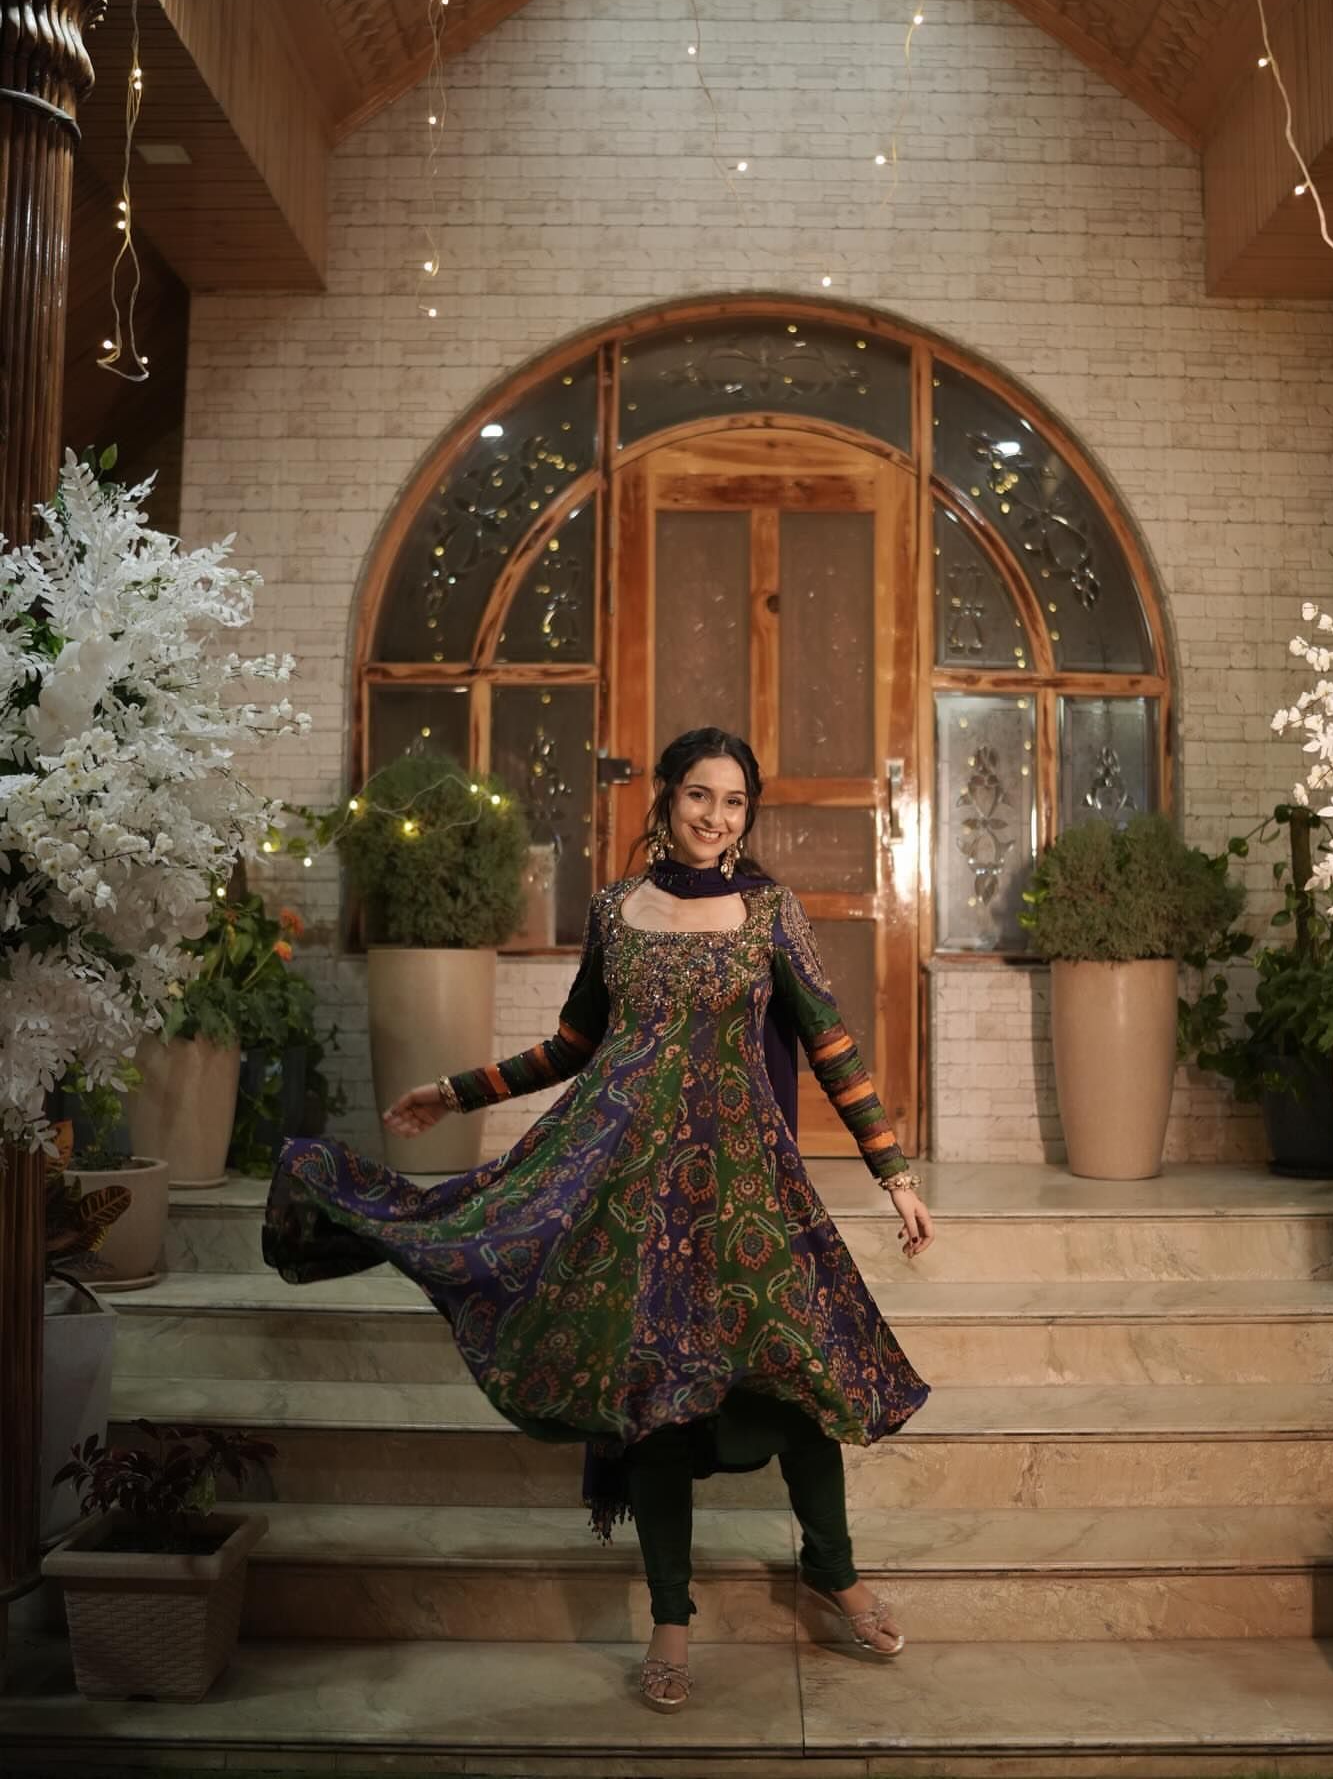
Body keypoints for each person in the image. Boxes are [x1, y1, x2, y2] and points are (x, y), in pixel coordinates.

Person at [264, 727, 934, 1713]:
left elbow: (831, 1042)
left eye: (734, 801)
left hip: (745, 1194)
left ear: (748, 813)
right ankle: (671, 1617)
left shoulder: (770, 912)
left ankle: (834, 1572)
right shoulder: (618, 910)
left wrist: (894, 1172)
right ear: (665, 795)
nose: (715, 816)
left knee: (798, 1384)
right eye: (699, 794)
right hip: (631, 1194)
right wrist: (457, 1089)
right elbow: (574, 1044)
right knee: (654, 1403)